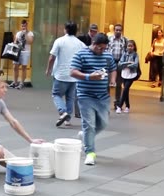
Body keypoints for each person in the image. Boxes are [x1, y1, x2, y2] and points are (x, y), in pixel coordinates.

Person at [70, 33, 117, 165]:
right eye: (100, 48)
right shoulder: (81, 54)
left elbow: (113, 69)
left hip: (102, 96)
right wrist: (89, 76)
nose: (102, 51)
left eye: (104, 48)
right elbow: (73, 71)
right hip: (85, 95)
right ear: (94, 44)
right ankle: (90, 152)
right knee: (89, 124)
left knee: (103, 123)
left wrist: (112, 80)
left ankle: (84, 136)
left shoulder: (107, 56)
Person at [45, 21, 85, 127]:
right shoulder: (80, 43)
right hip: (74, 75)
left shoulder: (60, 41)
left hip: (61, 74)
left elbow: (52, 57)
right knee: (70, 97)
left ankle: (62, 112)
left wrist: (48, 69)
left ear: (65, 29)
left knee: (56, 94)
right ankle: (68, 119)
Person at [9, 20, 34, 90]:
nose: (23, 27)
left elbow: (30, 41)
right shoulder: (18, 33)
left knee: (24, 67)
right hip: (18, 52)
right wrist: (14, 42)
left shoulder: (30, 33)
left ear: (27, 26)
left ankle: (22, 83)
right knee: (15, 66)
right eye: (22, 26)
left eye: (25, 26)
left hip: (25, 52)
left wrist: (25, 34)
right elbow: (15, 41)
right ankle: (15, 82)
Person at [108, 24, 128, 109]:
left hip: (120, 63)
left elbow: (127, 52)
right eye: (116, 30)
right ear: (114, 30)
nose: (118, 31)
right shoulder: (109, 39)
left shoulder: (125, 40)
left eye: (120, 30)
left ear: (122, 31)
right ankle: (106, 101)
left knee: (119, 84)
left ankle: (117, 102)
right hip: (110, 63)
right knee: (107, 83)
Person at [116, 40, 139, 114]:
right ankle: (127, 106)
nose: (130, 47)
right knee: (126, 91)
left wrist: (125, 64)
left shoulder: (135, 55)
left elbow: (135, 65)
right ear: (126, 47)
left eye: (131, 46)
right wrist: (129, 63)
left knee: (125, 89)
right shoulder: (124, 54)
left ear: (134, 47)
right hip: (124, 74)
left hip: (132, 74)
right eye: (128, 46)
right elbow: (120, 64)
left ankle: (119, 106)